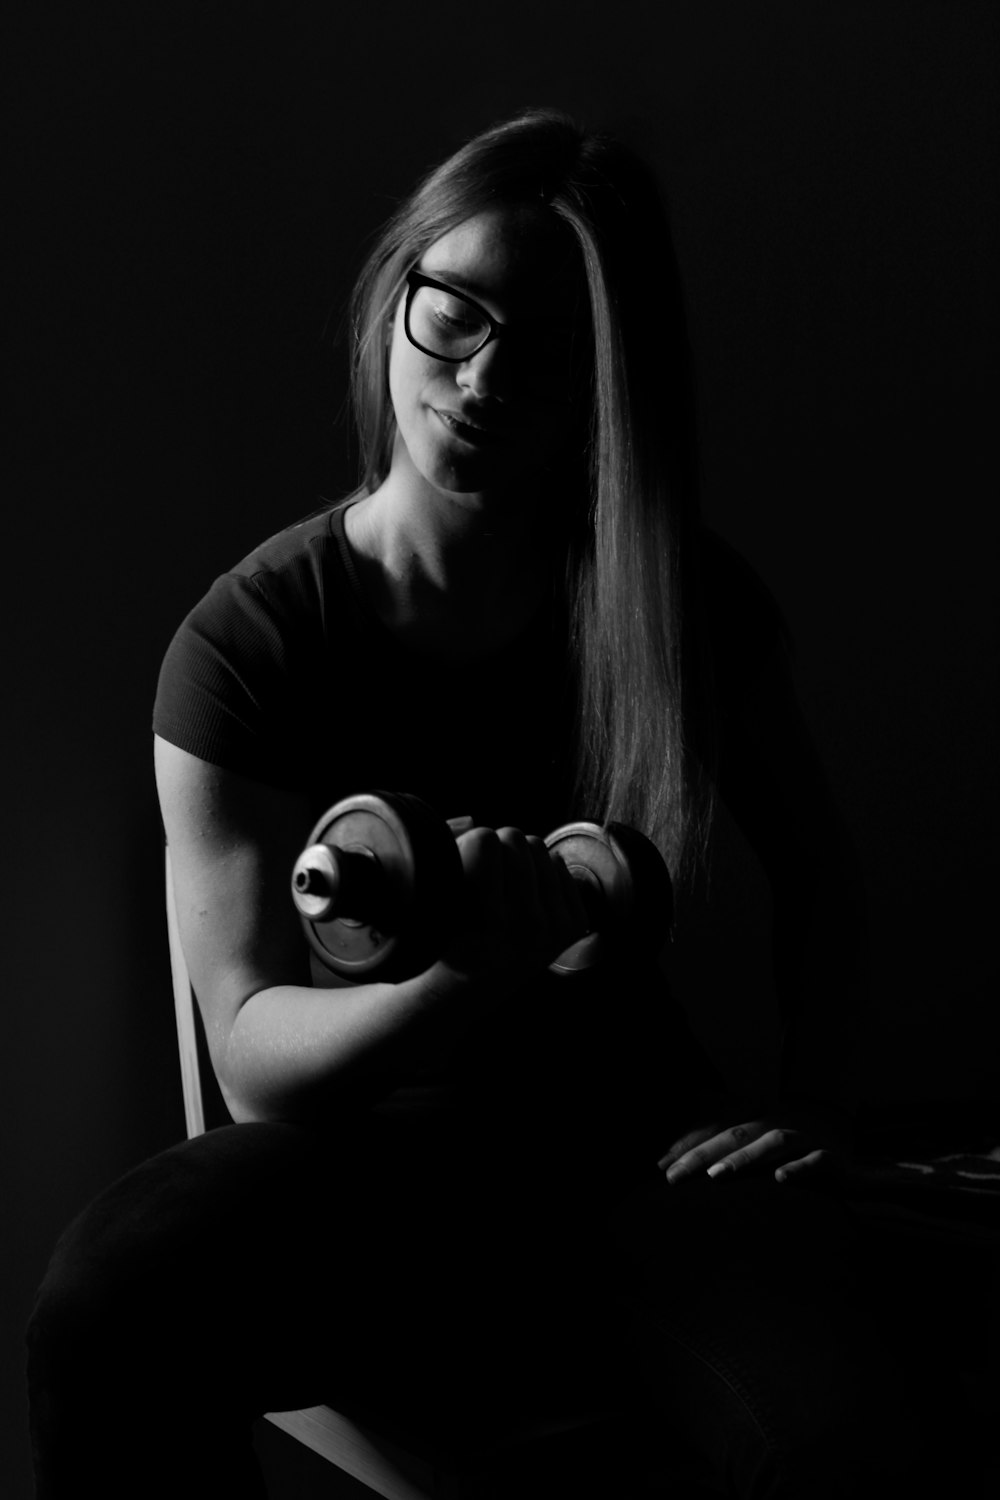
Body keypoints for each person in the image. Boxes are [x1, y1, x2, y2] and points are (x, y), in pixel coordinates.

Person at [27, 108, 920, 1497]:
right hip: (360, 1168)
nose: (485, 379)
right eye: (458, 316)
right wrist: (462, 975)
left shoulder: (678, 599)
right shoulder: (251, 643)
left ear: (610, 385)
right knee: (105, 1311)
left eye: (551, 349)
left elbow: (821, 872)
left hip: (638, 1158)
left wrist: (822, 1107)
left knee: (846, 1443)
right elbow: (254, 1054)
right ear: (398, 298)